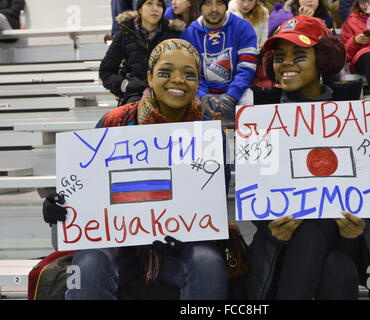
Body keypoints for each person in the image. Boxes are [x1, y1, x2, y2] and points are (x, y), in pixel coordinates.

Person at [43, 39, 229, 300]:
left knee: (207, 263)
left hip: (179, 249)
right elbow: (88, 186)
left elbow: (214, 201)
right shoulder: (114, 122)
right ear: (150, 77)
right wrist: (62, 205)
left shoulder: (209, 134)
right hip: (118, 244)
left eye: (189, 75)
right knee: (88, 266)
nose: (178, 80)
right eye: (165, 72)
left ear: (198, 83)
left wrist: (190, 235)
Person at [245, 15, 370, 300]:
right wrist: (271, 228)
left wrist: (361, 222)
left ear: (323, 60)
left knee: (318, 224)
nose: (285, 63)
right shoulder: (260, 119)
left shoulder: (355, 117)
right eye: (279, 56)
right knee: (338, 270)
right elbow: (256, 195)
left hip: (347, 236)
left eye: (299, 55)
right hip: (286, 243)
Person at [181, 0, 258, 121]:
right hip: (203, 92)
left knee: (248, 96)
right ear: (200, 7)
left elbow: (247, 68)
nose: (214, 9)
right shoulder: (189, 34)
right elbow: (191, 73)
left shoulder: (243, 27)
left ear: (226, 6)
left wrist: (232, 96)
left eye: (219, 3)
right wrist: (202, 96)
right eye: (207, 3)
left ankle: (246, 139)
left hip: (236, 91)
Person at [100, 0, 183, 106]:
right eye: (149, 3)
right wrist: (125, 85)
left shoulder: (173, 35)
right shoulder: (125, 33)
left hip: (167, 96)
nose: (155, 8)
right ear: (140, 9)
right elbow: (106, 71)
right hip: (134, 97)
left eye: (159, 5)